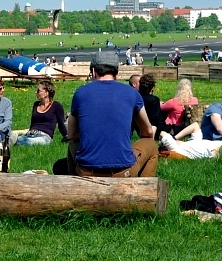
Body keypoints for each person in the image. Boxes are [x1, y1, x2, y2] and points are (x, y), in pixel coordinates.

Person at [60, 50, 157, 178]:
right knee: (151, 144)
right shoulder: (132, 93)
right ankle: (143, 189)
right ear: (117, 73)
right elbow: (148, 132)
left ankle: (77, 185)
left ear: (94, 71)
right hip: (123, 171)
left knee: (73, 145)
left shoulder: (81, 93)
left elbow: (71, 134)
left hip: (87, 171)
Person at [12, 79, 67, 146]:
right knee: (16, 139)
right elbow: (32, 123)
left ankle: (12, 142)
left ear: (46, 93)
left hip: (45, 137)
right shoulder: (36, 104)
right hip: (30, 134)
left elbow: (61, 125)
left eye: (38, 91)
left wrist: (67, 137)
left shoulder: (56, 105)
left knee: (26, 141)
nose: (36, 92)